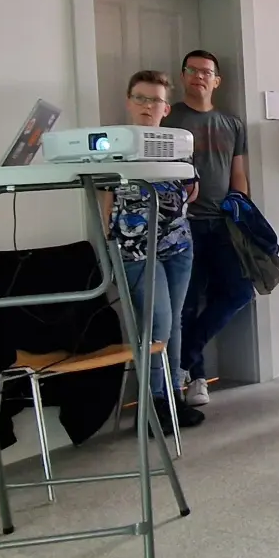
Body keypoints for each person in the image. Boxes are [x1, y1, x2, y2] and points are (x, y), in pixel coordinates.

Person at [102, 71, 204, 432]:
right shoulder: (113, 144)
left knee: (173, 322)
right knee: (156, 324)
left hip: (178, 245)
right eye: (141, 98)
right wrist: (108, 246)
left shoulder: (177, 144)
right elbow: (104, 199)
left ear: (166, 107)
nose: (148, 106)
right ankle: (154, 403)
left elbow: (190, 187)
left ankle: (174, 395)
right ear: (130, 101)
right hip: (134, 250)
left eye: (155, 100)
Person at [163, 48, 251, 408]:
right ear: (183, 76)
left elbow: (239, 174)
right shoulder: (169, 121)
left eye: (206, 72)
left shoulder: (232, 124)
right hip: (182, 225)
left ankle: (183, 360)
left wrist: (241, 211)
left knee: (239, 292)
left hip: (223, 223)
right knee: (184, 306)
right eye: (192, 70)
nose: (199, 76)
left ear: (217, 81)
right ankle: (196, 378)